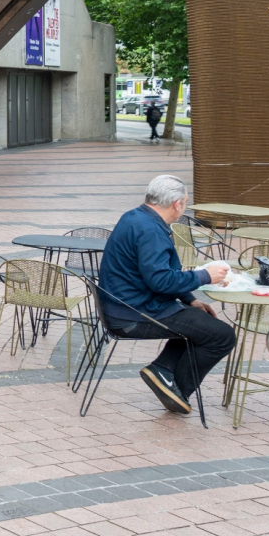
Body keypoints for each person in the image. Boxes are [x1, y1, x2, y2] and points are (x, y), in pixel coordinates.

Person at [99, 174, 235, 414]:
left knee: (202, 322)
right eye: (185, 202)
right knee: (223, 336)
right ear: (177, 204)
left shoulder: (134, 217)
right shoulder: (151, 230)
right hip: (134, 315)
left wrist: (190, 299)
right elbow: (161, 280)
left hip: (126, 306)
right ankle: (175, 390)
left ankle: (162, 370)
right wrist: (205, 276)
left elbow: (159, 275)